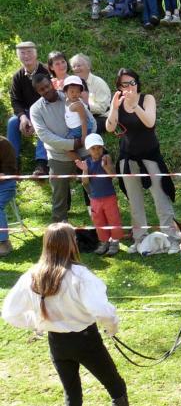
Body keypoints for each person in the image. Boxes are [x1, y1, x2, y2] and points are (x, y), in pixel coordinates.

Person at [2, 224, 155, 406]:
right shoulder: (79, 276)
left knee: (72, 397)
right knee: (116, 387)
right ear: (71, 244)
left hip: (57, 344)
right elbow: (101, 310)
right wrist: (111, 328)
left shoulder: (32, 275)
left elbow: (10, 312)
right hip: (86, 340)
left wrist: (39, 323)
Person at [104, 68, 178, 251]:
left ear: (137, 83)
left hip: (150, 156)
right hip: (128, 158)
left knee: (161, 197)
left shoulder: (147, 99)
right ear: (119, 87)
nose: (130, 87)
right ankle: (140, 239)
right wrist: (114, 108)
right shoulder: (118, 102)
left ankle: (172, 238)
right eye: (125, 84)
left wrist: (134, 105)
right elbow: (110, 128)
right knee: (134, 201)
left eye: (132, 83)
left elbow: (150, 122)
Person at [31, 73, 95, 225]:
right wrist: (71, 144)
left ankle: (104, 226)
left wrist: (86, 140)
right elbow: (45, 136)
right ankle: (59, 233)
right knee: (59, 198)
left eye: (47, 86)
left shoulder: (70, 95)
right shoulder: (35, 109)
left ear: (52, 83)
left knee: (95, 189)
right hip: (58, 156)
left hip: (84, 151)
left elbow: (90, 120)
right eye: (41, 89)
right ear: (37, 91)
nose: (46, 90)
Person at [75, 133, 125, 256]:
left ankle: (115, 242)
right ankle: (104, 241)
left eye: (99, 148)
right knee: (99, 221)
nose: (97, 151)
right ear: (88, 149)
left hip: (109, 197)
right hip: (95, 199)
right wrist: (85, 170)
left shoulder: (106, 158)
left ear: (102, 148)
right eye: (93, 148)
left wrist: (105, 166)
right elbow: (85, 182)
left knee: (113, 219)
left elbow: (113, 175)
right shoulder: (86, 162)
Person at [7, 41, 49, 177]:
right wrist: (23, 117)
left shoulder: (46, 72)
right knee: (13, 122)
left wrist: (36, 119)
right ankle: (12, 163)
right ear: (18, 56)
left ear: (36, 54)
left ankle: (42, 163)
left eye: (29, 52)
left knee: (46, 121)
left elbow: (51, 95)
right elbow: (15, 100)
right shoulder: (18, 76)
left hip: (46, 110)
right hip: (27, 112)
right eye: (22, 53)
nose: (26, 56)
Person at [70, 55, 111, 120]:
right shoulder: (74, 84)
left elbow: (102, 108)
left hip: (101, 117)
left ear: (88, 66)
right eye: (74, 66)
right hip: (84, 117)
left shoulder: (99, 83)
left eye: (79, 65)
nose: (76, 68)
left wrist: (85, 105)